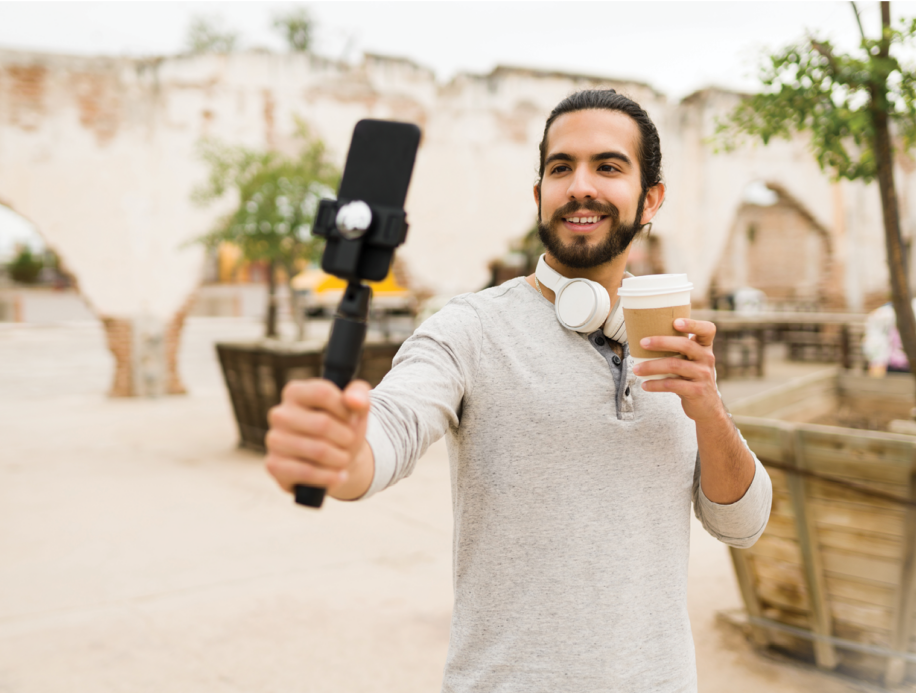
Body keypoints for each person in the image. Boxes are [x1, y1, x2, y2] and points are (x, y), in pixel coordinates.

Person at [264, 90, 771, 692]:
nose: (580, 186)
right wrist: (342, 448)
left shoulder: (675, 337)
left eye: (608, 167)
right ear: (539, 197)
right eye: (561, 168)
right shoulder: (469, 328)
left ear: (650, 198)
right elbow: (389, 428)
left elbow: (742, 524)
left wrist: (707, 407)